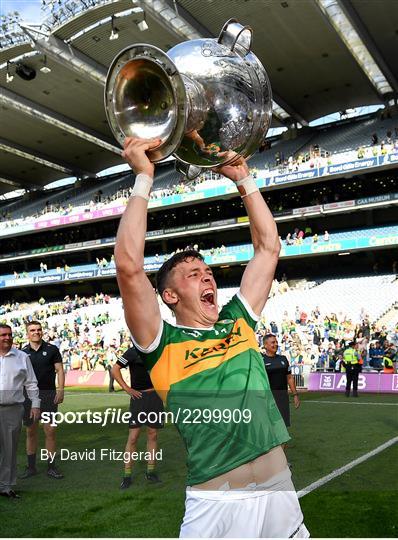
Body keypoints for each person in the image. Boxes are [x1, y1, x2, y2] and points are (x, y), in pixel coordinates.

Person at [114, 137, 309, 538]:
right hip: (216, 506)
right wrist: (143, 177)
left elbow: (268, 248)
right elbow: (129, 266)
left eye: (207, 272)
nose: (206, 277)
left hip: (280, 494)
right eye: (191, 274)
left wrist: (244, 178)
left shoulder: (237, 320)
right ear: (169, 295)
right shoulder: (161, 341)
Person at [112, 345, 164, 489]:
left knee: (152, 435)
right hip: (138, 397)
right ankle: (127, 475)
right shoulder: (132, 351)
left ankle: (150, 471)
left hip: (155, 396)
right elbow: (114, 369)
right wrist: (127, 389)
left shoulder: (157, 349)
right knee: (133, 437)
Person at [20, 321, 65, 479]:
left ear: (42, 331)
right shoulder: (22, 353)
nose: (36, 332)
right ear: (28, 333)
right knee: (31, 431)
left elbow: (59, 370)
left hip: (49, 396)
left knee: (50, 431)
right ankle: (31, 467)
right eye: (32, 330)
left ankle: (51, 467)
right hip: (29, 397)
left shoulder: (52, 349)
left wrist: (60, 390)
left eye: (38, 330)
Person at [0, 324, 40, 498]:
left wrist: (36, 404)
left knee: (9, 449)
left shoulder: (22, 357)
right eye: (3, 335)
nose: (7, 338)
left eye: (9, 334)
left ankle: (5, 487)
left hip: (12, 409)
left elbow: (31, 383)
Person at [262, 334, 300, 434]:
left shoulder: (283, 359)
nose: (276, 344)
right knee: (269, 427)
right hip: (267, 398)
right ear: (265, 345)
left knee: (283, 427)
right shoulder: (260, 360)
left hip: (282, 397)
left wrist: (295, 395)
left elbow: (289, 377)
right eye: (272, 342)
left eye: (276, 342)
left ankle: (281, 450)